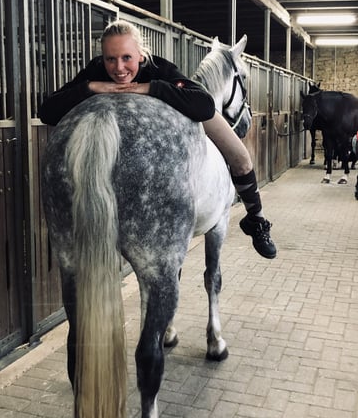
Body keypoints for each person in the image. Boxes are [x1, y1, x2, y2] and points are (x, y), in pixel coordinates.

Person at [38, 20, 276, 259]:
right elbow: (47, 111)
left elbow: (204, 104)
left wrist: (151, 88)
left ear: (140, 54)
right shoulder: (96, 70)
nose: (119, 68)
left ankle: (256, 220)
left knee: (241, 157)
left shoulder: (159, 68)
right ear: (103, 58)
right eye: (110, 59)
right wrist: (91, 87)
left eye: (127, 58)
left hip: (180, 112)